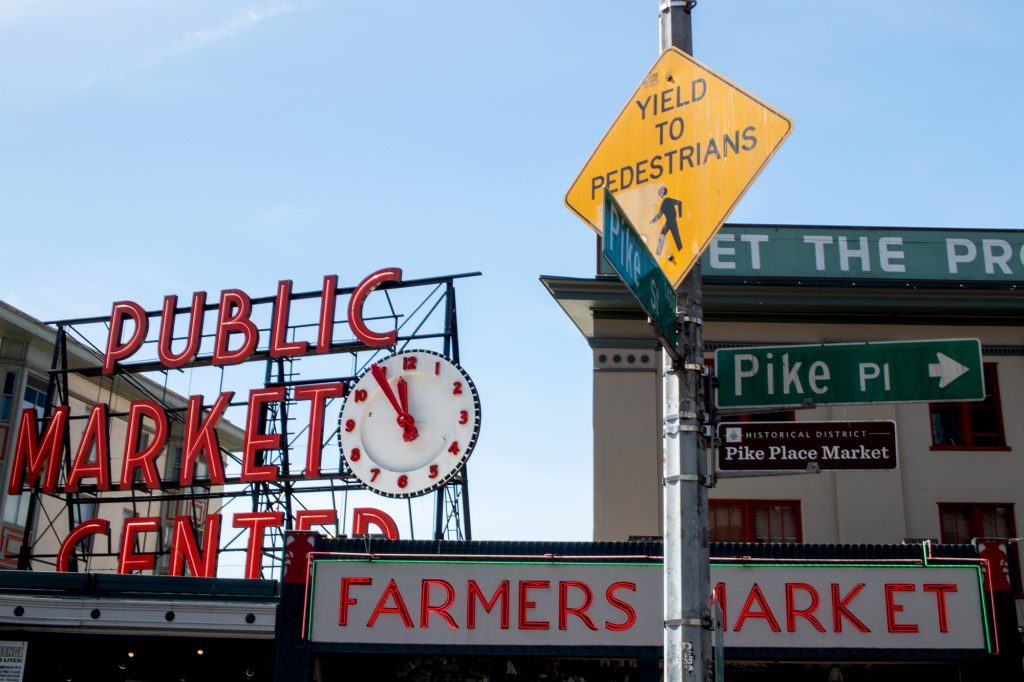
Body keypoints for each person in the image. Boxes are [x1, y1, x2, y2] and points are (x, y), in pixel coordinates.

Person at [650, 186, 683, 257]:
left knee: (676, 237)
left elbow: (679, 202)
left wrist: (680, 216)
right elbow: (659, 215)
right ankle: (658, 254)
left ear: (664, 193)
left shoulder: (667, 200)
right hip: (669, 222)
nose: (659, 192)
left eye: (661, 191)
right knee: (664, 235)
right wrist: (652, 221)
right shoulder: (663, 203)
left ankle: (681, 251)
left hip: (672, 221)